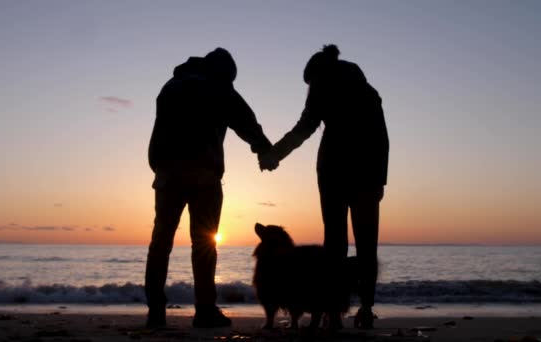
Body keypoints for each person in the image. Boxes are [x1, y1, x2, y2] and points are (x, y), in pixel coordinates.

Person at [260, 44, 389, 329]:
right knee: (367, 245)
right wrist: (381, 178)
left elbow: (304, 127)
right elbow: (381, 138)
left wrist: (274, 154)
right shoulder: (368, 93)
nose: (308, 90)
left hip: (333, 171)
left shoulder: (322, 84)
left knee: (335, 245)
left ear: (315, 75)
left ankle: (333, 313)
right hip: (367, 173)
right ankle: (365, 310)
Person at [146, 48, 273, 328]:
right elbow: (245, 120)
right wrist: (264, 150)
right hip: (204, 174)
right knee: (204, 243)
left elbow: (159, 131)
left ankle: (155, 312)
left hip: (167, 174)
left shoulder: (170, 86)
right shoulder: (218, 87)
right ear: (223, 73)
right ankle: (204, 310)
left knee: (160, 243)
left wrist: (159, 167)